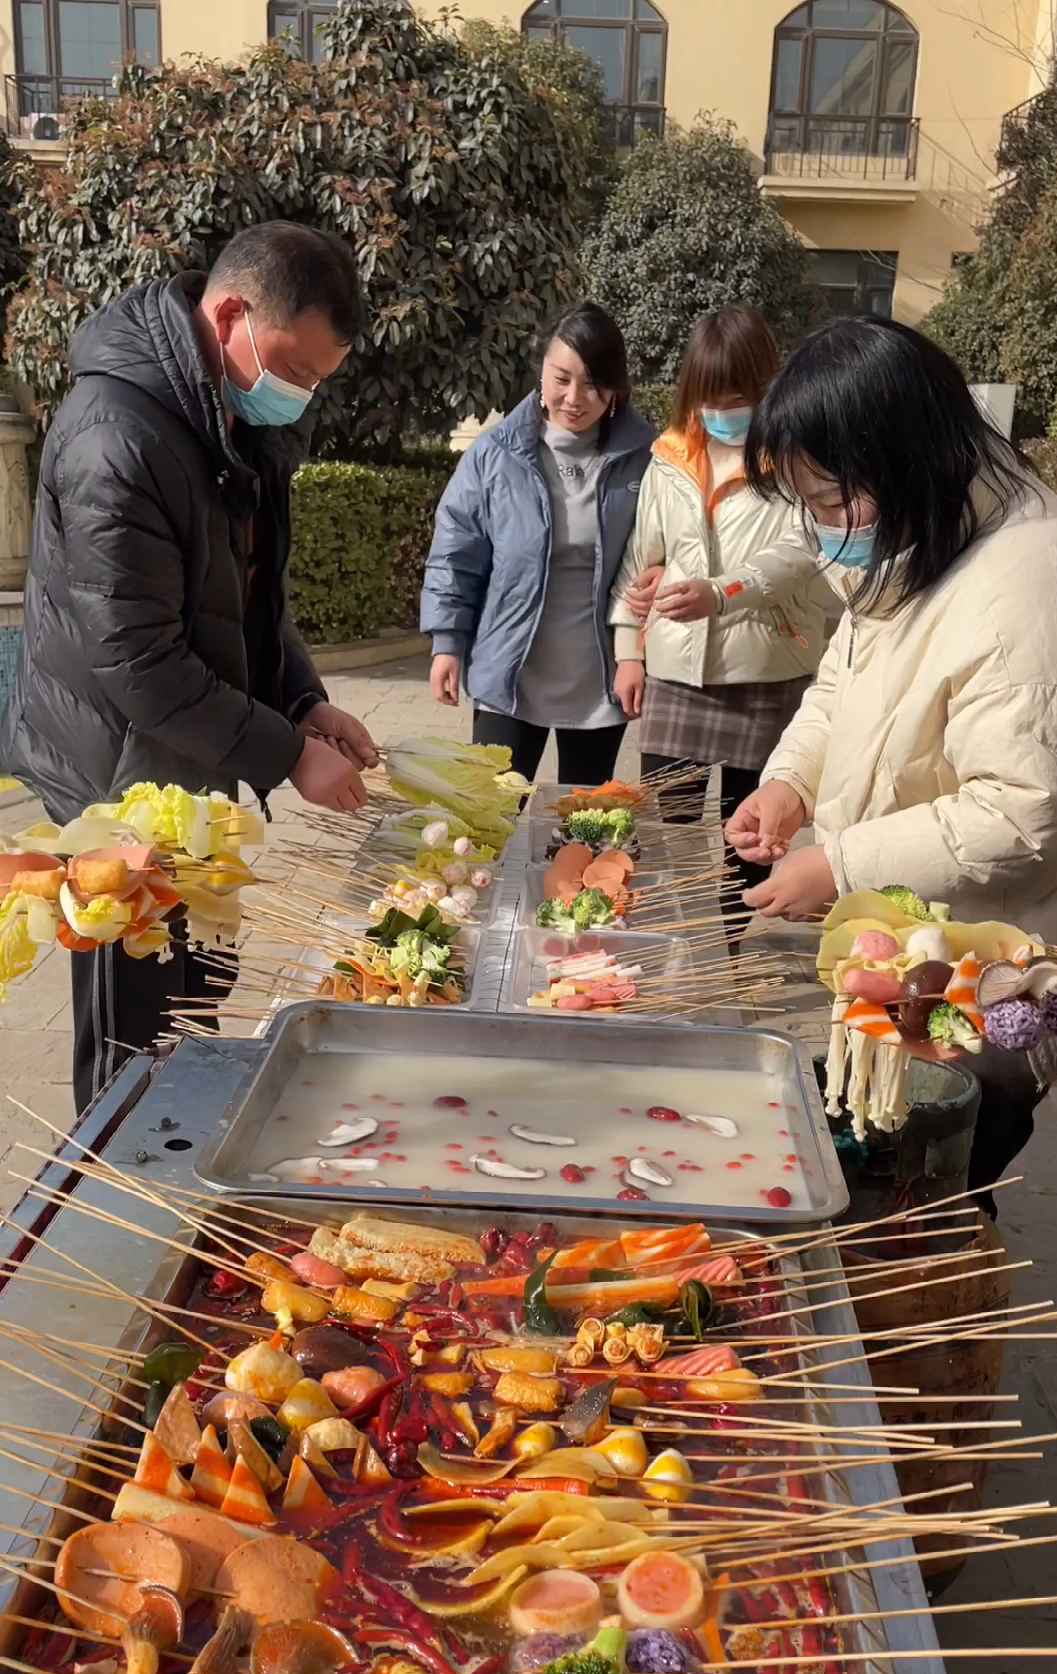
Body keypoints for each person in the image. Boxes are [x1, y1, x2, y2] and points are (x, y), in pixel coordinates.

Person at [0, 221, 379, 1116]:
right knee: (135, 1028)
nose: (300, 394)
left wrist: (303, 701)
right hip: (115, 778)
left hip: (188, 768)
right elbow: (139, 659)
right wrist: (287, 757)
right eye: (296, 370)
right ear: (234, 313)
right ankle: (111, 1193)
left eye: (317, 381)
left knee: (196, 994)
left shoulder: (226, 416)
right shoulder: (117, 435)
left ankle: (180, 1156)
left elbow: (248, 599)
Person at [725, 314, 1057, 1199]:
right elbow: (843, 682)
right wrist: (790, 783)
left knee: (927, 1194)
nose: (824, 528)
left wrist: (841, 861)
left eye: (832, 500)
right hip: (911, 955)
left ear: (904, 455)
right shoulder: (920, 536)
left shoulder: (1028, 584)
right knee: (878, 1160)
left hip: (984, 975)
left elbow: (1024, 810)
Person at [608, 308, 832, 887]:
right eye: (709, 397)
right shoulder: (670, 456)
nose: (721, 412)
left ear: (764, 387)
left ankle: (731, 957)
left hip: (766, 668)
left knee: (750, 841)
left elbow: (799, 552)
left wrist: (722, 592)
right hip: (676, 668)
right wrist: (628, 650)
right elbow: (643, 558)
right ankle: (670, 953)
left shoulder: (796, 455)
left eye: (735, 397)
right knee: (663, 831)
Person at [422, 303, 655, 784]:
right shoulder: (495, 455)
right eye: (562, 378)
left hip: (599, 684)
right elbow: (455, 553)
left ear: (615, 387)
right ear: (541, 374)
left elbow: (662, 554)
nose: (574, 397)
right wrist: (447, 642)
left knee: (583, 834)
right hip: (508, 674)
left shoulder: (646, 459)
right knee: (488, 825)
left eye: (592, 382)